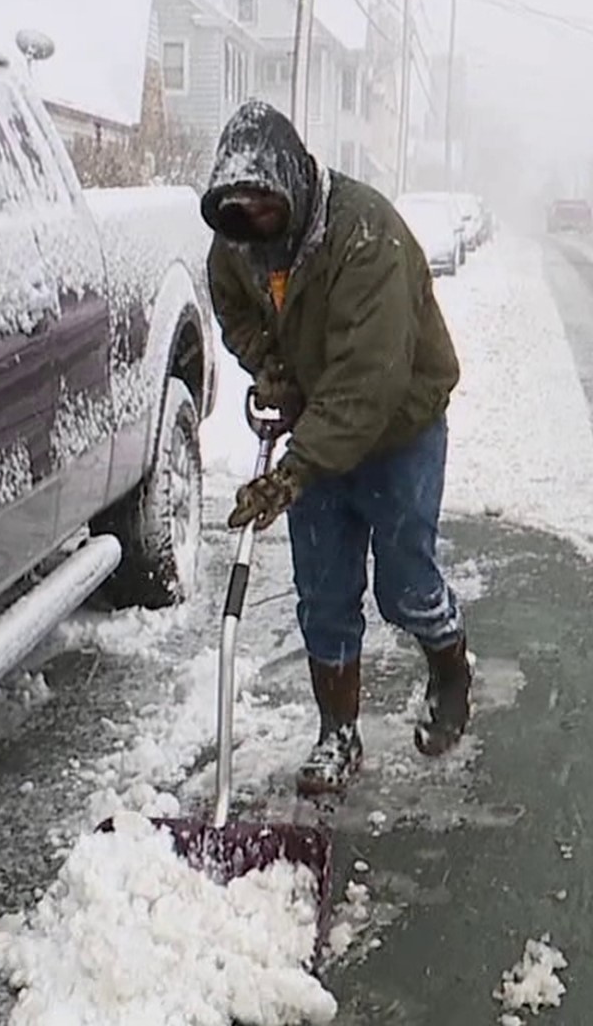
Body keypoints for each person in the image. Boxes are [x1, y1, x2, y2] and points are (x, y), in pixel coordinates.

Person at [197, 98, 469, 798]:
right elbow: (232, 305)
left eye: (263, 205)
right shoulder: (239, 244)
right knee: (322, 591)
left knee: (404, 586)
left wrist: (292, 471)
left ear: (291, 180)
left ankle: (449, 665)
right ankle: (338, 734)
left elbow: (367, 385)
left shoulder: (365, 237)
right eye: (237, 210)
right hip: (321, 425)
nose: (251, 222)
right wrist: (271, 366)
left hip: (399, 426)